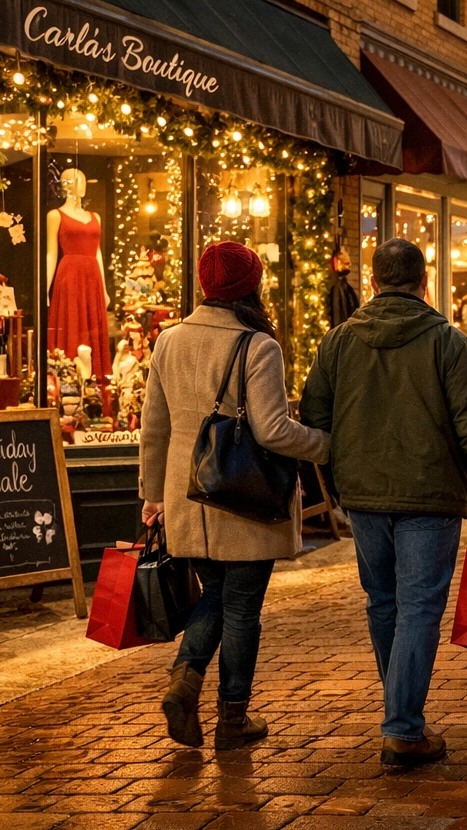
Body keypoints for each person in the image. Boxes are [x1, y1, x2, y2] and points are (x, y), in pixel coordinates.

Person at [301, 238, 467, 767]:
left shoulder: (338, 342)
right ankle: (401, 726)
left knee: (383, 601)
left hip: (364, 494)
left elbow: (314, 420)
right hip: (429, 491)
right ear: (424, 282)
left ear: (372, 282)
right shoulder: (447, 341)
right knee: (418, 606)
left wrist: (340, 478)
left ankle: (401, 709)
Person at [141, 242, 330, 751]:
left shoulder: (168, 340)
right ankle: (232, 718)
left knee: (217, 595)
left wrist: (152, 494)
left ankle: (185, 677)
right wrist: (325, 445)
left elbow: (153, 428)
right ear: (252, 285)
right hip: (242, 499)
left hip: (187, 497)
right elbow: (271, 431)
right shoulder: (257, 345)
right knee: (242, 606)